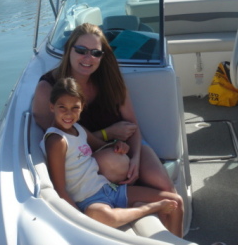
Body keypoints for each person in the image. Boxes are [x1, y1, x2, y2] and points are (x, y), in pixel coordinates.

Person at [31, 23, 183, 232]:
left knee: (167, 189)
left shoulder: (110, 79)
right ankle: (129, 205)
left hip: (126, 144)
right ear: (69, 49)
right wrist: (108, 133)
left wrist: (136, 158)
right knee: (115, 163)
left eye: (95, 53)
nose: (88, 58)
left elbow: (133, 126)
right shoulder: (49, 88)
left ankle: (173, 235)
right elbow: (65, 141)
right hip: (88, 155)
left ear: (103, 56)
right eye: (81, 50)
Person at [41, 77, 182, 234]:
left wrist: (118, 144)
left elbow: (103, 146)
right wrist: (79, 220)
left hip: (109, 189)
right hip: (89, 202)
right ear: (51, 107)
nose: (69, 114)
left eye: (75, 108)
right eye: (62, 107)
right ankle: (147, 208)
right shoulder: (56, 141)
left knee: (176, 200)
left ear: (82, 108)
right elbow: (60, 190)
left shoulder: (78, 129)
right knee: (97, 216)